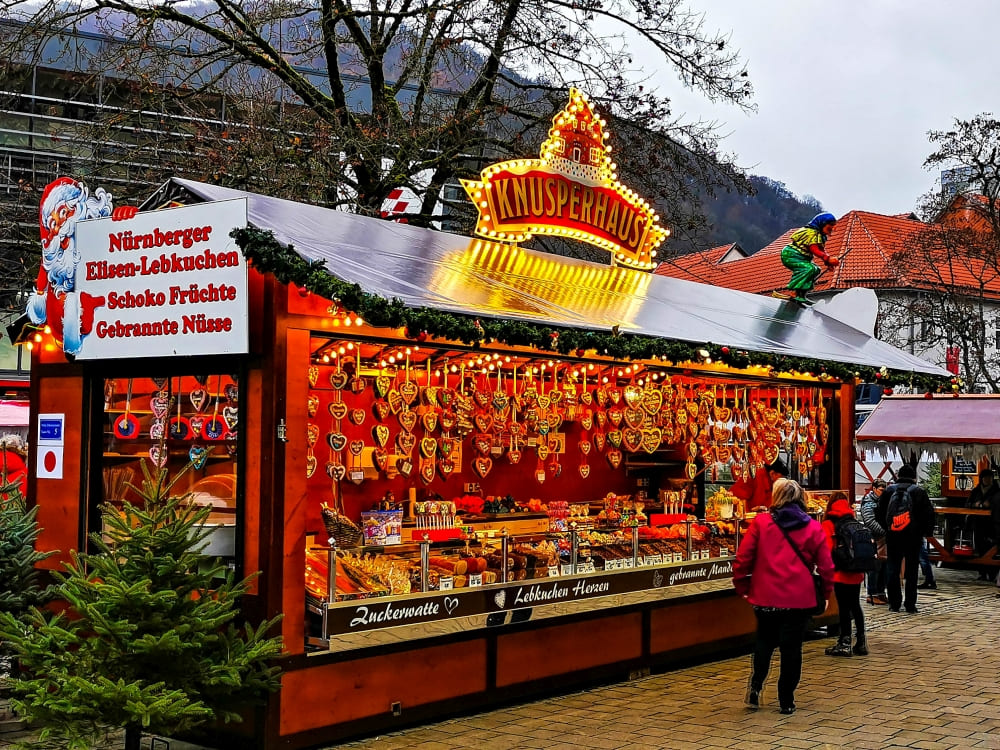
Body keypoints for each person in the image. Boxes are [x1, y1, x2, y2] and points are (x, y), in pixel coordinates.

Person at [733, 478, 834, 715]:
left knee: (764, 643)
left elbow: (742, 559)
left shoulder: (761, 523)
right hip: (799, 599)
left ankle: (756, 687)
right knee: (791, 649)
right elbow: (827, 566)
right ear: (801, 499)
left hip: (764, 595)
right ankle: (786, 699)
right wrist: (826, 592)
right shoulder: (812, 527)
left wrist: (743, 587)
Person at [876, 464, 935, 613]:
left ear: (898, 475)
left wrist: (888, 528)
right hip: (913, 537)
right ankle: (910, 604)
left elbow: (879, 513)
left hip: (893, 535)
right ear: (913, 477)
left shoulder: (889, 491)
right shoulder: (919, 492)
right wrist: (924, 532)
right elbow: (928, 515)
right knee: (912, 570)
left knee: (893, 569)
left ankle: (894, 603)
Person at [822, 494, 868, 656]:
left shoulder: (829, 524)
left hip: (840, 572)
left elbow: (826, 550)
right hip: (857, 571)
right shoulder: (854, 522)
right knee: (855, 605)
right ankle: (861, 642)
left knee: (843, 608)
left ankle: (844, 642)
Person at [779, 212, 840, 303]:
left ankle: (802, 294)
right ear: (822, 224)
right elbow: (814, 249)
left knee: (816, 269)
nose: (831, 229)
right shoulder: (810, 233)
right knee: (808, 269)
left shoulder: (821, 236)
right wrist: (827, 258)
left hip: (803, 257)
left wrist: (827, 262)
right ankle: (794, 292)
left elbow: (822, 250)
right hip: (792, 255)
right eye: (830, 226)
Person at [858, 479, 888, 605]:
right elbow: (869, 521)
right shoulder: (868, 502)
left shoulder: (882, 501)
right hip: (873, 537)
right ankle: (872, 593)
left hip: (882, 537)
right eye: (881, 490)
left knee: (883, 565)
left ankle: (881, 592)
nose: (883, 492)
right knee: (874, 566)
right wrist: (883, 531)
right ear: (874, 489)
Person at [967, 468, 998, 580]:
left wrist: (990, 505)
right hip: (978, 523)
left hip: (991, 524)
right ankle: (982, 572)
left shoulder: (996, 491)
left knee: (991, 548)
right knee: (979, 547)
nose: (987, 480)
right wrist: (975, 504)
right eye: (985, 478)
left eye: (989, 478)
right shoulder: (976, 490)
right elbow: (968, 503)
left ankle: (992, 573)